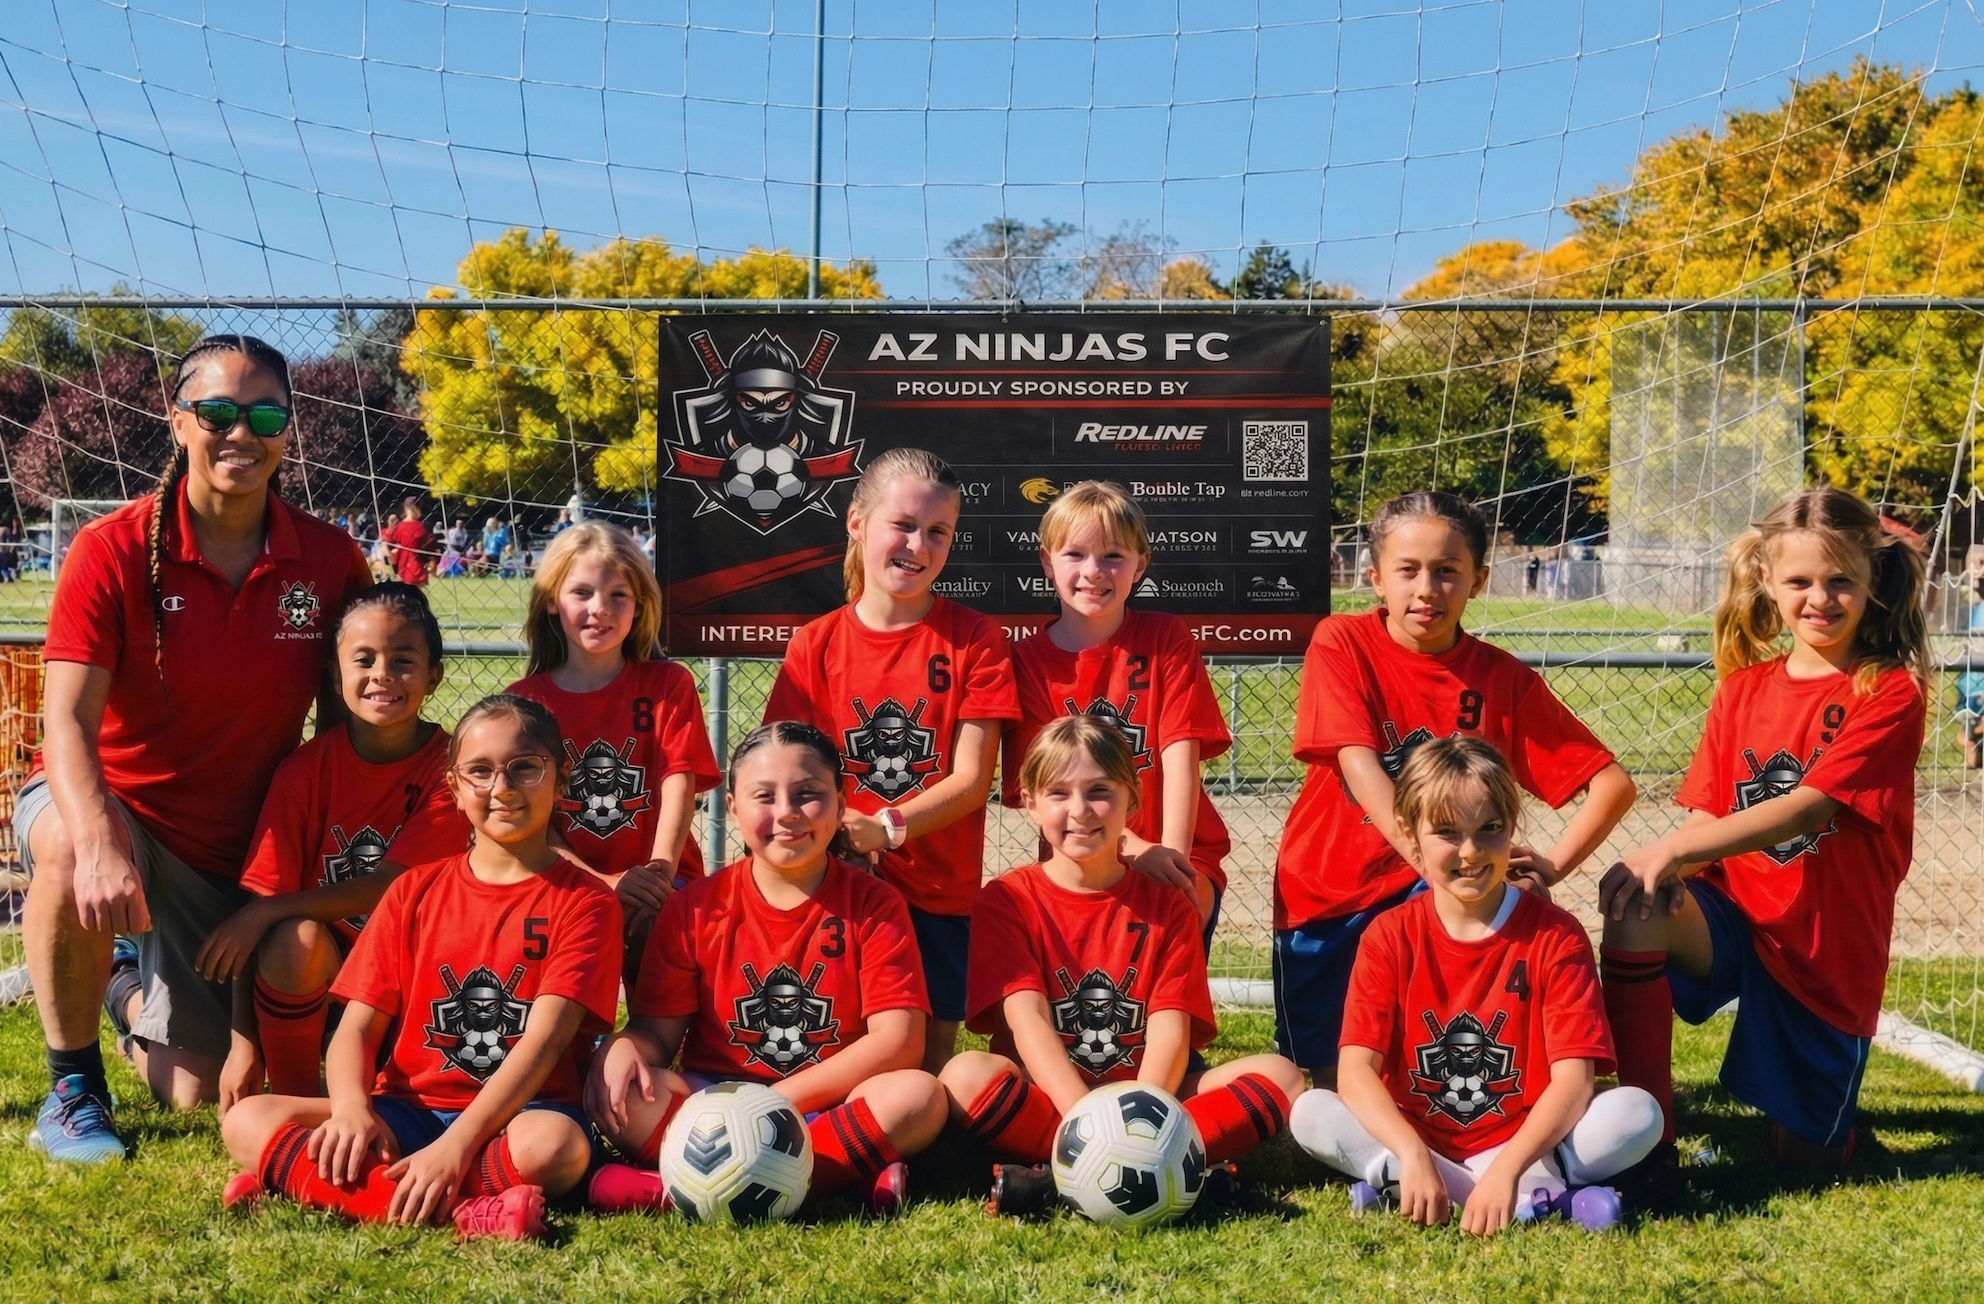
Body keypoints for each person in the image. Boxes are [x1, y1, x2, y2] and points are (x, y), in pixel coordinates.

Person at [19, 335, 372, 1162]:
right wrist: (104, 845)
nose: (238, 432)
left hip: (239, 842)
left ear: (290, 430)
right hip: (117, 809)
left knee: (189, 1088)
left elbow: (343, 736)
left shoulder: (327, 558)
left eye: (263, 414)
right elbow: (63, 720)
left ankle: (118, 982)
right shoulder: (110, 549)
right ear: (177, 421)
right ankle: (72, 1089)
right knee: (73, 850)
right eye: (215, 412)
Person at [1600, 487, 1929, 1169]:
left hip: (1823, 944)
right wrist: (1663, 870)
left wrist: (1671, 847)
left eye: (1841, 581)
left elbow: (1809, 807)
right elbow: (1705, 815)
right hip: (1736, 919)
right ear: (1767, 582)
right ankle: (1649, 1144)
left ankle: (1818, 1126)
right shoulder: (1742, 689)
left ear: (1873, 582)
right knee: (1640, 906)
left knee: (1805, 1161)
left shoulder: (1889, 690)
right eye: (1801, 581)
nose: (1821, 598)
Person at [216, 694, 622, 1242]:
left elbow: (543, 1046)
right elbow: (357, 1028)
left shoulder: (587, 902)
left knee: (556, 1149)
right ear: (453, 789)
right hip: (405, 1112)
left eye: (524, 767)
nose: (501, 788)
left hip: (520, 1116)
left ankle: (314, 1183)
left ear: (562, 776)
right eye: (479, 772)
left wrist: (455, 1147)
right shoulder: (414, 890)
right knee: (247, 1118)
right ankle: (467, 1212)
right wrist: (353, 1110)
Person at [1273, 491, 1637, 1088]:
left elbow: (1612, 786)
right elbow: (1359, 762)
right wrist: (1425, 850)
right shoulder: (1341, 642)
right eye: (1408, 570)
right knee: (1331, 1083)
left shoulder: (1501, 678)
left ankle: (1569, 1095)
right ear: (1375, 578)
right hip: (1331, 892)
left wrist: (1548, 867)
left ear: (1479, 580)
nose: (1426, 589)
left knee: (1435, 1070)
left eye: (1447, 572)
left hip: (1440, 890)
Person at [1290, 737, 1661, 1234]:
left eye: (1489, 829)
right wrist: (1410, 1151)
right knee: (1312, 1110)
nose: (1470, 851)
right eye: (1446, 831)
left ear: (1512, 828)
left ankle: (1411, 1187)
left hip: (1528, 1144)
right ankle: (1541, 1198)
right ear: (1409, 832)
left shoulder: (1555, 934)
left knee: (1638, 1113)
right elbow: (1357, 1071)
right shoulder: (1389, 934)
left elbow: (1574, 1081)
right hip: (1422, 1139)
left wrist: (1508, 1167)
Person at [940, 716, 1304, 1216]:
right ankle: (1162, 1172)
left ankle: (1060, 1181)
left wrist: (1138, 1128)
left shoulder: (1169, 904)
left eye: (1099, 791)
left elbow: (1170, 1031)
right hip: (1051, 1097)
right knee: (963, 1074)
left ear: (1132, 802)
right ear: (1028, 802)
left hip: (1150, 1100)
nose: (1080, 810)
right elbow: (1029, 1025)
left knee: (1281, 1076)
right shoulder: (1006, 900)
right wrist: (1091, 1127)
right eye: (1058, 793)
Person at [583, 721, 947, 1216]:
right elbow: (657, 1033)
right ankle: (841, 1181)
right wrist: (625, 1047)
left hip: (824, 1104)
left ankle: (674, 1191)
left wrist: (769, 1108)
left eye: (807, 795)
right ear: (731, 807)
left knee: (918, 1095)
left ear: (841, 803)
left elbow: (899, 1040)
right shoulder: (693, 909)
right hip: (713, 1104)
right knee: (622, 1088)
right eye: (764, 797)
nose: (787, 814)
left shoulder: (874, 903)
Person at [764, 447, 1019, 1074]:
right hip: (838, 885)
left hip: (939, 893)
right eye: (901, 525)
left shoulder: (976, 639)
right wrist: (842, 842)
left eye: (938, 532)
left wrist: (886, 828)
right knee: (835, 1052)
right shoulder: (815, 644)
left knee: (919, 1074)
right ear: (857, 523)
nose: (918, 545)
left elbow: (971, 780)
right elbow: (783, 772)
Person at [196, 584, 470, 1107]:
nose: (383, 675)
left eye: (403, 660)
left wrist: (268, 912)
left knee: (402, 1102)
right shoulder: (302, 771)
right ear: (334, 672)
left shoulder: (451, 769)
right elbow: (261, 908)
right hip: (330, 969)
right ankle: (297, 1096)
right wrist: (242, 1043)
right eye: (363, 659)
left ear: (434, 676)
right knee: (290, 939)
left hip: (416, 970)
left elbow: (391, 885)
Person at [1005, 481, 1231, 939]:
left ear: (1140, 565)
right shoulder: (1026, 662)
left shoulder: (1166, 639)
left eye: (1112, 555)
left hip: (1177, 849)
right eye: (1074, 554)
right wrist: (1132, 850)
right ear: (1047, 562)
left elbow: (1181, 761)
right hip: (1078, 849)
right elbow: (1041, 791)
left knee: (1171, 941)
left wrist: (1171, 862)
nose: (1094, 571)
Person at [506, 523, 719, 983]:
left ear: (640, 605)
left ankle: (652, 1050)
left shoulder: (668, 684)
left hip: (661, 879)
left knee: (654, 928)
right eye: (581, 592)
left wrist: (658, 876)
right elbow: (531, 823)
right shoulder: (524, 703)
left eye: (618, 595)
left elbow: (678, 784)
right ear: (550, 600)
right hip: (565, 877)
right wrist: (604, 884)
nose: (599, 609)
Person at [382, 497, 435, 587]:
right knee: (416, 593)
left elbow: (388, 544)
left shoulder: (400, 527)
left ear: (405, 508)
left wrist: (390, 555)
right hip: (416, 564)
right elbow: (432, 546)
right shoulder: (422, 527)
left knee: (406, 593)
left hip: (404, 565)